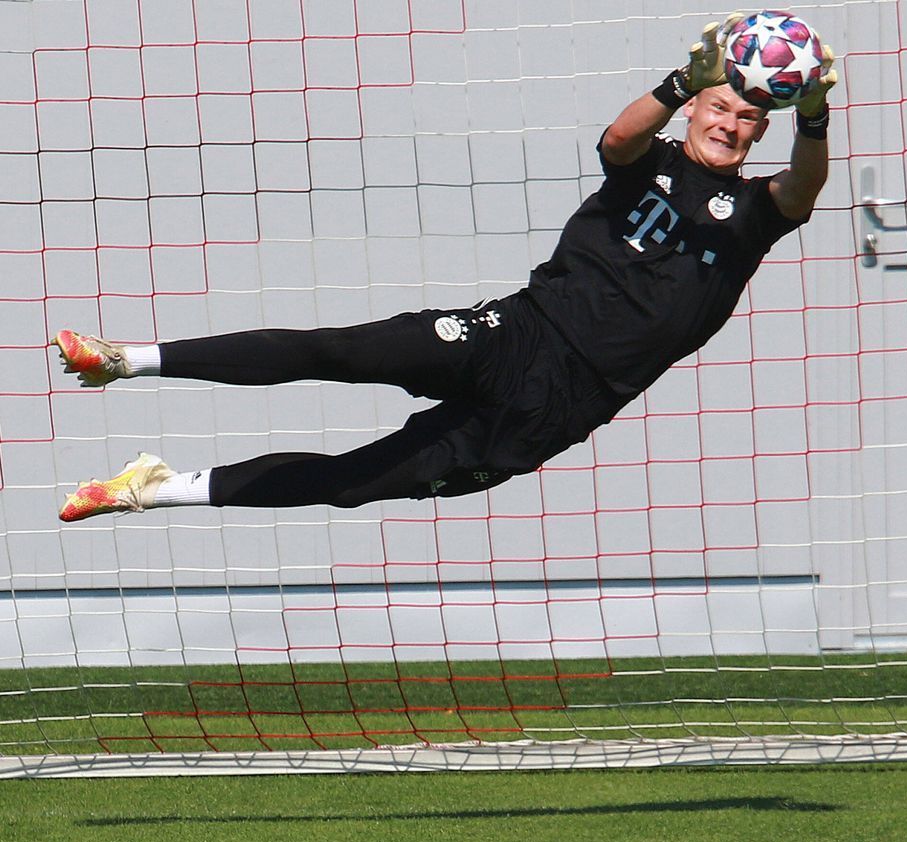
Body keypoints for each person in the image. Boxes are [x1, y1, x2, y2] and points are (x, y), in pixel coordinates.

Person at [53, 15, 837, 522]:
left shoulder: (755, 214)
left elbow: (805, 187)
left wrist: (813, 112)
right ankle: (127, 361)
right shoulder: (651, 161)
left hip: (563, 407)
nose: (731, 125)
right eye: (720, 109)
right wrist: (677, 83)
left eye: (746, 118)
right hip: (516, 333)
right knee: (343, 351)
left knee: (352, 483)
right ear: (698, 109)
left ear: (760, 132)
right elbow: (617, 139)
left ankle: (154, 488)